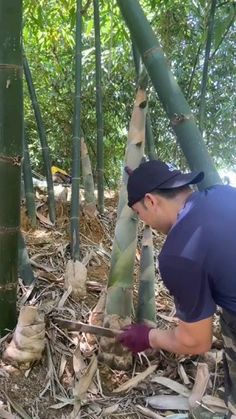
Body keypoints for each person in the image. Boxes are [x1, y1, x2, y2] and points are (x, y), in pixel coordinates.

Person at [117, 159, 236, 419]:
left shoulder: (179, 252)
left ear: (150, 200)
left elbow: (196, 342)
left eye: (139, 214)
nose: (145, 222)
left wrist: (148, 337)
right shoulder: (223, 193)